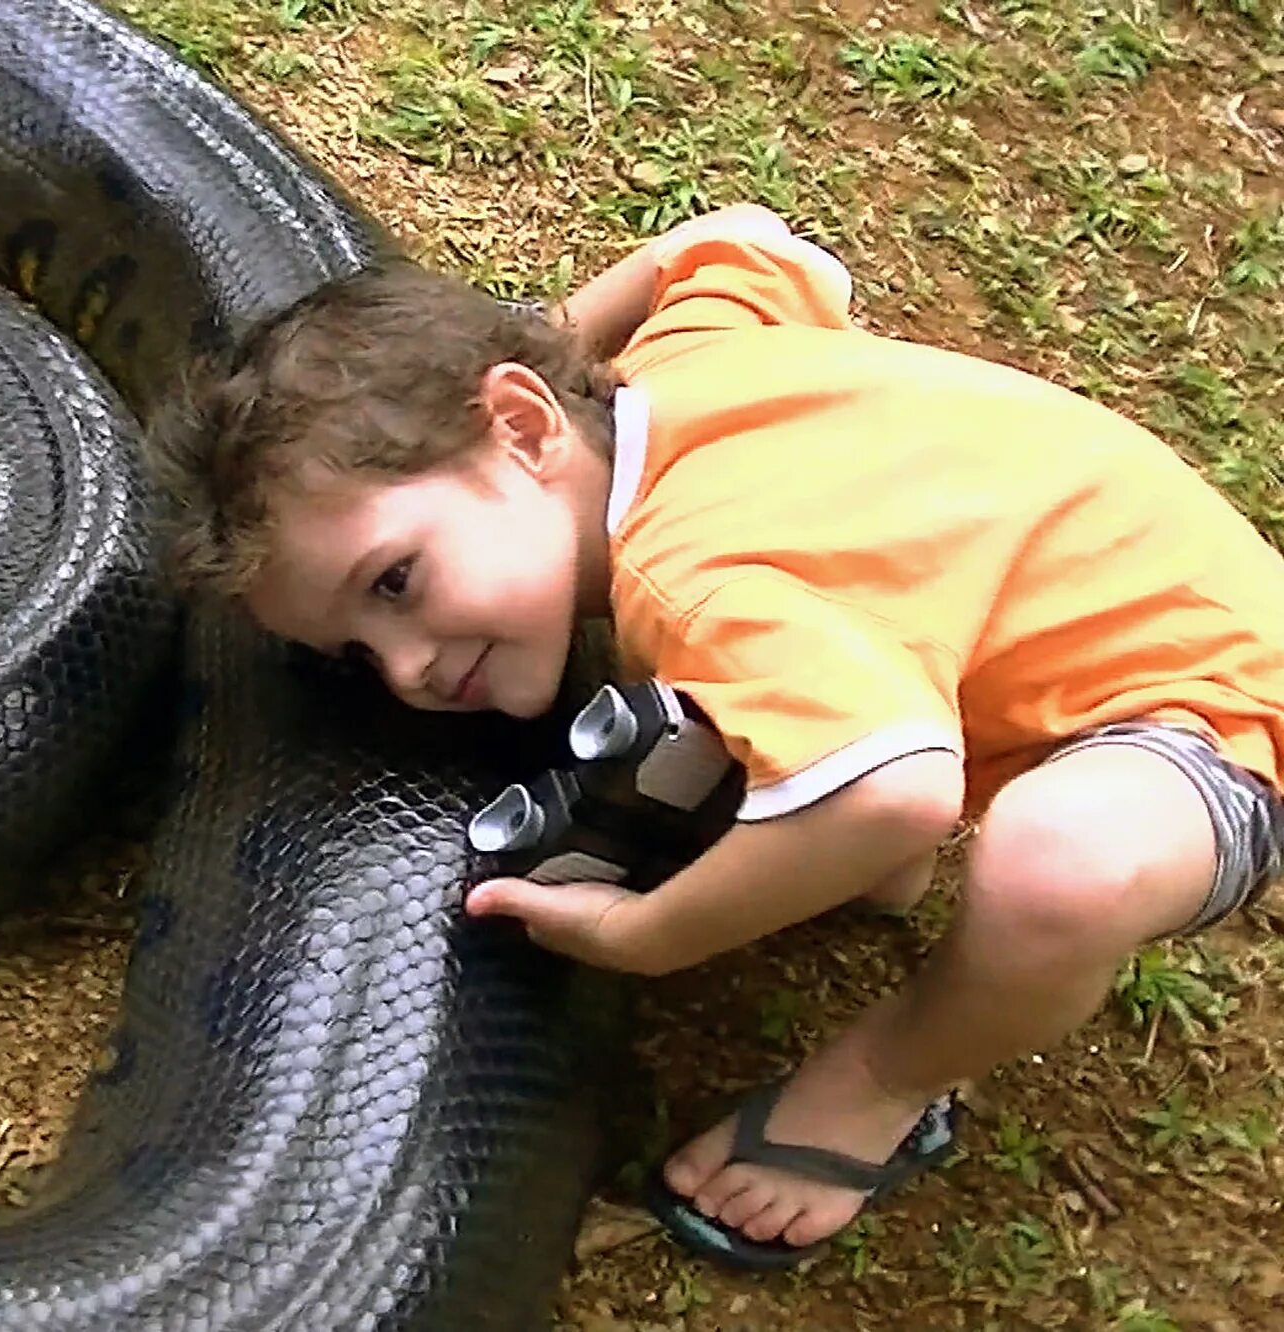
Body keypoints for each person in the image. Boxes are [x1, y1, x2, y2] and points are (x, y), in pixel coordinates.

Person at [142, 202, 1284, 1271]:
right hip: (1091, 612)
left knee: (1052, 867)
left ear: (527, 426)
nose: (406, 672)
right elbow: (738, 239)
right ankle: (844, 792)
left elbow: (898, 796)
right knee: (798, 736)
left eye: (393, 581)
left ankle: (882, 1083)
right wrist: (547, 345)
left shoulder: (686, 579)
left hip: (1213, 710)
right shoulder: (676, 368)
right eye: (356, 651)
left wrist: (653, 934)